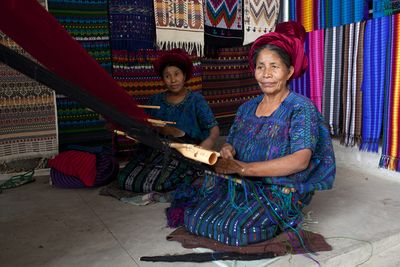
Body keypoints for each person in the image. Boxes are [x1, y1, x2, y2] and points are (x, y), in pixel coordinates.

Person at [184, 21, 336, 246]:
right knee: (195, 218)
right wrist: (227, 150)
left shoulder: (300, 108)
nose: (266, 74)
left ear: (289, 71)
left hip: (280, 189)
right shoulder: (246, 107)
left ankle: (279, 215)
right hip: (242, 184)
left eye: (274, 66)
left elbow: (300, 161)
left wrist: (244, 169)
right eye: (260, 66)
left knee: (239, 229)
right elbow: (231, 144)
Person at [118, 48, 220, 193]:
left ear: (184, 75)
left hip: (183, 152)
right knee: (125, 180)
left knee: (161, 183)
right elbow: (144, 126)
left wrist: (201, 150)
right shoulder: (155, 100)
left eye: (177, 74)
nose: (173, 80)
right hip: (156, 150)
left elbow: (214, 129)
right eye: (167, 76)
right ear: (162, 79)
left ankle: (189, 172)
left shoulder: (196, 100)